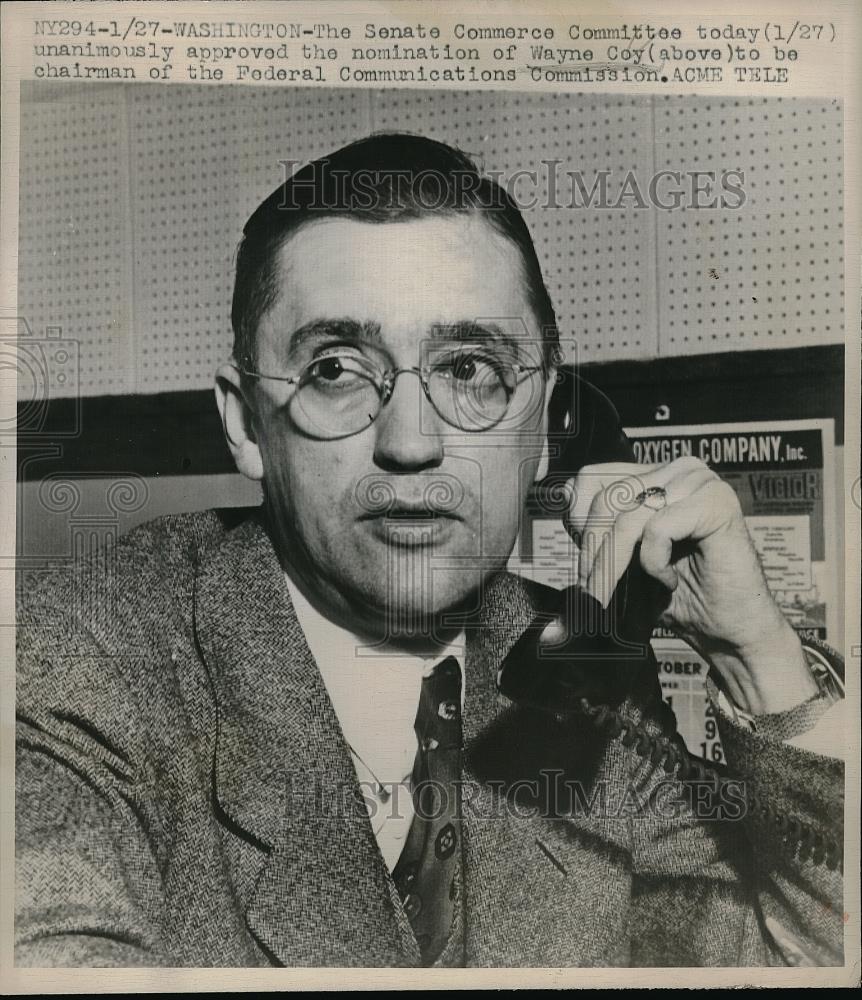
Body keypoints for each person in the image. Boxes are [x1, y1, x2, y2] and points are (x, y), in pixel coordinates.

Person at [16, 132, 845, 969]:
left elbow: (798, 962)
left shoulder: (573, 668)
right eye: (335, 369)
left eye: (471, 368)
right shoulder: (84, 660)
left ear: (547, 422)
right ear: (245, 424)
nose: (411, 443)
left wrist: (756, 657)